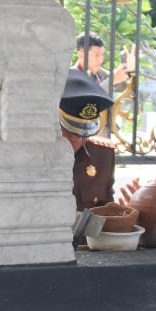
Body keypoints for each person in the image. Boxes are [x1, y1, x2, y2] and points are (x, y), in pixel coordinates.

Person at [60, 69, 117, 210]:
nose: (76, 137)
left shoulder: (103, 155)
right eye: (68, 129)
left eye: (83, 132)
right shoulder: (34, 156)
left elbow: (107, 212)